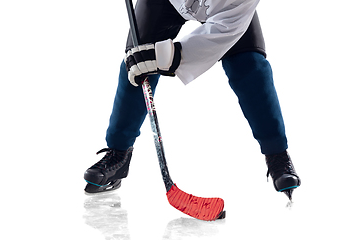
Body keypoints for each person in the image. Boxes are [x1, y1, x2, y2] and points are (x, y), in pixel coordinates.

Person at [84, 0, 301, 200]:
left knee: (249, 66)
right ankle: (118, 154)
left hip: (226, 10)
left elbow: (225, 30)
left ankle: (277, 154)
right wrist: (153, 57)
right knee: (137, 63)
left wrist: (169, 56)